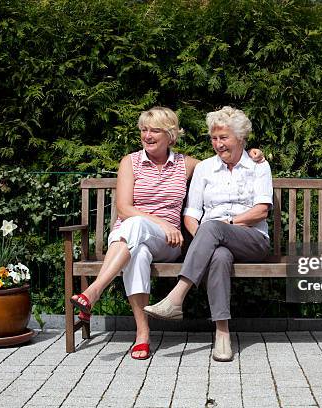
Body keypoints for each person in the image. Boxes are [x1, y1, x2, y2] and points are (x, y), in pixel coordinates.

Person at [70, 106, 264, 360]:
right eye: (144, 130)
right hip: (132, 237)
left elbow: (224, 155)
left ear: (170, 136)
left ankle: (94, 291)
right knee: (136, 248)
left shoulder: (186, 165)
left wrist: (253, 154)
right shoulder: (130, 162)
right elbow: (124, 208)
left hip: (167, 243)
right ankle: (142, 335)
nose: (147, 135)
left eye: (155, 131)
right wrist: (162, 222)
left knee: (134, 229)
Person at [144, 106, 273, 362]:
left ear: (240, 138)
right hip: (217, 243)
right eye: (213, 138)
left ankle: (177, 296)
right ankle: (222, 335)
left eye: (223, 138)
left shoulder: (258, 165)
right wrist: (209, 234)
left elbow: (261, 211)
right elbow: (190, 214)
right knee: (219, 256)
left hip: (253, 240)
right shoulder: (204, 168)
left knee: (212, 226)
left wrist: (227, 223)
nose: (218, 144)